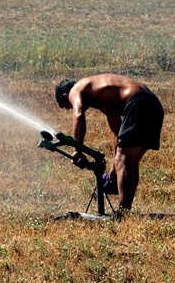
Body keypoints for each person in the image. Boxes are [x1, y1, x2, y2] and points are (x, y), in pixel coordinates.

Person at [54, 74, 163, 213]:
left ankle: (123, 212)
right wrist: (113, 173)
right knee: (129, 161)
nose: (70, 108)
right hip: (153, 104)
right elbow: (119, 134)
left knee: (124, 161)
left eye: (66, 107)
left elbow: (79, 115)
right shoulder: (105, 101)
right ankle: (126, 211)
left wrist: (77, 150)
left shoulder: (76, 89)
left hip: (138, 101)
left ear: (65, 96)